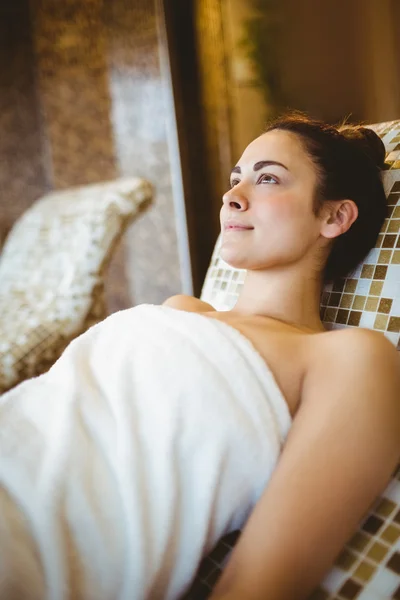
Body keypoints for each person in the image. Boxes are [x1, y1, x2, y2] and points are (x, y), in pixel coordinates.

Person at [0, 112, 399, 600]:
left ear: (334, 216)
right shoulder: (183, 310)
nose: (233, 195)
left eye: (268, 178)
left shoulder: (348, 358)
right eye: (236, 178)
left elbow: (255, 588)